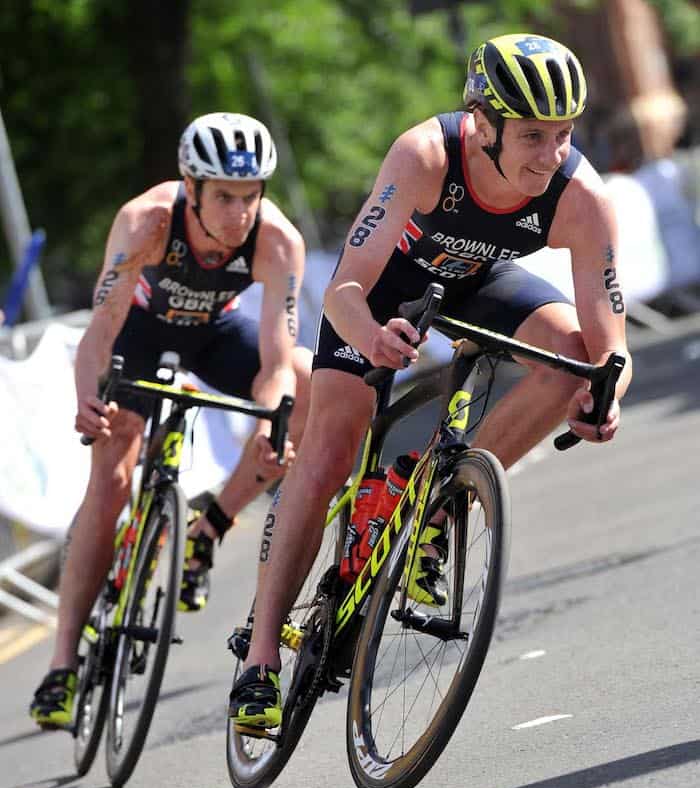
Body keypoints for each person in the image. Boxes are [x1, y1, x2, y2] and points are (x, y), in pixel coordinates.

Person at [228, 33, 633, 731]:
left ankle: (437, 508)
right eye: (532, 135)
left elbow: (610, 344)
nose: (551, 154)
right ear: (483, 124)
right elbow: (344, 289)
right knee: (328, 451)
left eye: (563, 133)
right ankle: (260, 658)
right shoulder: (425, 156)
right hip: (383, 293)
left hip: (480, 282)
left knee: (573, 361)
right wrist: (371, 338)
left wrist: (605, 396)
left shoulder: (581, 196)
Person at [29, 112, 312, 728]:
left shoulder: (277, 240)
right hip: (139, 331)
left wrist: (273, 420)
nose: (239, 213)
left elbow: (276, 358)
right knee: (111, 478)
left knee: (304, 381)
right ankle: (61, 665)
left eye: (250, 196)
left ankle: (209, 527)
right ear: (191, 188)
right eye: (224, 198)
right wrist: (87, 397)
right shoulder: (147, 221)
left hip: (214, 331)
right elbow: (100, 330)